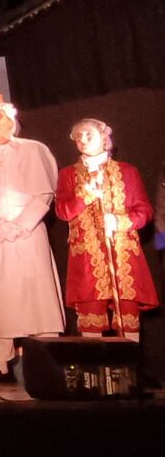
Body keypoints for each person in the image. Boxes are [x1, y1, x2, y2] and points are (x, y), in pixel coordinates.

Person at [0, 101, 64, 381]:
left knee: (37, 293)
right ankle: (2, 364)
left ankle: (46, 358)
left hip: (28, 232)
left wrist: (21, 225)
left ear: (11, 120)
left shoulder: (34, 150)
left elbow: (44, 194)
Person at [54, 119, 158, 340]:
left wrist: (119, 222)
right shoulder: (68, 174)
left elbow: (145, 211)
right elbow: (62, 211)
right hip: (86, 259)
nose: (82, 140)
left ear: (103, 138)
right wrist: (85, 196)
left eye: (88, 135)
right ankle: (94, 363)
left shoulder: (127, 171)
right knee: (91, 319)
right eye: (78, 137)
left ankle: (128, 361)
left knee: (127, 318)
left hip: (123, 257)